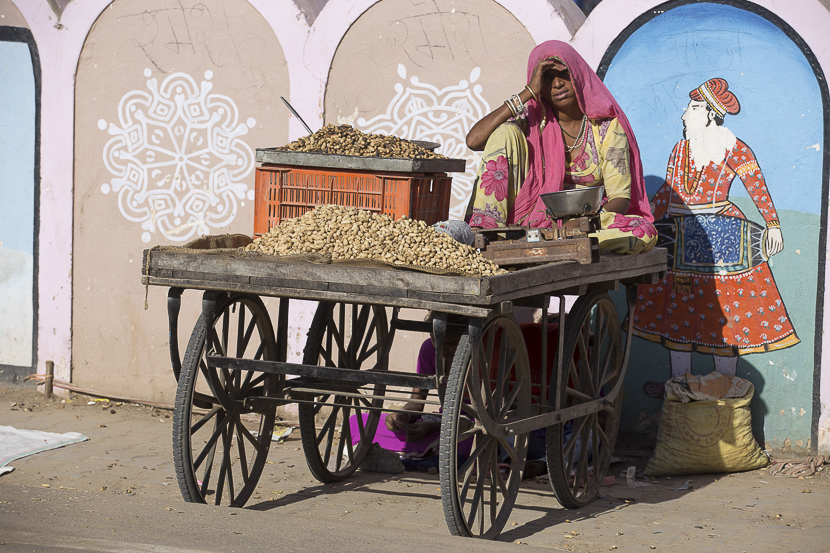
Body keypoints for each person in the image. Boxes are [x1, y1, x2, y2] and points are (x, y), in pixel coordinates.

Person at [632, 78, 799, 393]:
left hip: (723, 236)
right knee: (677, 310)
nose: (685, 114)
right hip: (679, 237)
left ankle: (723, 386)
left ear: (710, 113)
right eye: (688, 107)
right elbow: (664, 198)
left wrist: (773, 224)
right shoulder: (679, 149)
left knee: (725, 310)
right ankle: (679, 386)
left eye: (693, 108)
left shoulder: (733, 147)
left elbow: (757, 186)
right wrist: (643, 224)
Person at [464, 40, 656, 254]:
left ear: (577, 73)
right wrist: (527, 93)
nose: (556, 84)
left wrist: (578, 225)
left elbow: (620, 198)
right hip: (527, 223)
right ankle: (489, 233)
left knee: (642, 231)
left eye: (563, 74)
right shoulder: (533, 121)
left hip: (586, 226)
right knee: (504, 132)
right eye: (546, 77)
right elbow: (474, 140)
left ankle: (553, 246)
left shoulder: (605, 126)